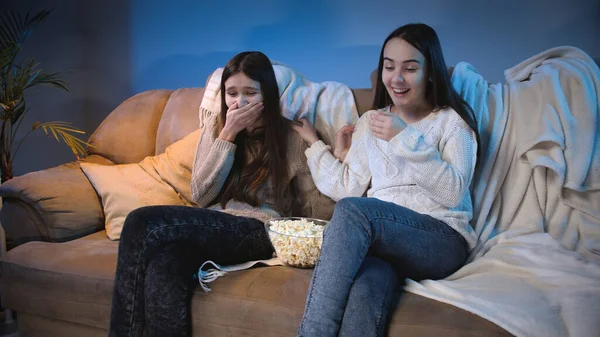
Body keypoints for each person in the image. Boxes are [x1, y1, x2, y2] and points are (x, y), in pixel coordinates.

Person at [108, 51, 340, 337]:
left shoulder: (291, 136)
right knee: (165, 263)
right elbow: (202, 195)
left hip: (261, 231)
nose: (239, 102)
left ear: (267, 95)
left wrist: (322, 148)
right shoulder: (218, 127)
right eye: (232, 93)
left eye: (250, 93)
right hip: (218, 225)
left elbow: (319, 210)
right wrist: (228, 135)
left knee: (140, 222)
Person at [292, 23, 481, 337]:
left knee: (356, 211)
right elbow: (347, 188)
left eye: (410, 68)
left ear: (430, 72)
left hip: (441, 239)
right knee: (366, 287)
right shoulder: (371, 121)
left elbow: (452, 192)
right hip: (388, 243)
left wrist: (405, 138)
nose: (396, 78)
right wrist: (316, 145)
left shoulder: (452, 122)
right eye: (389, 66)